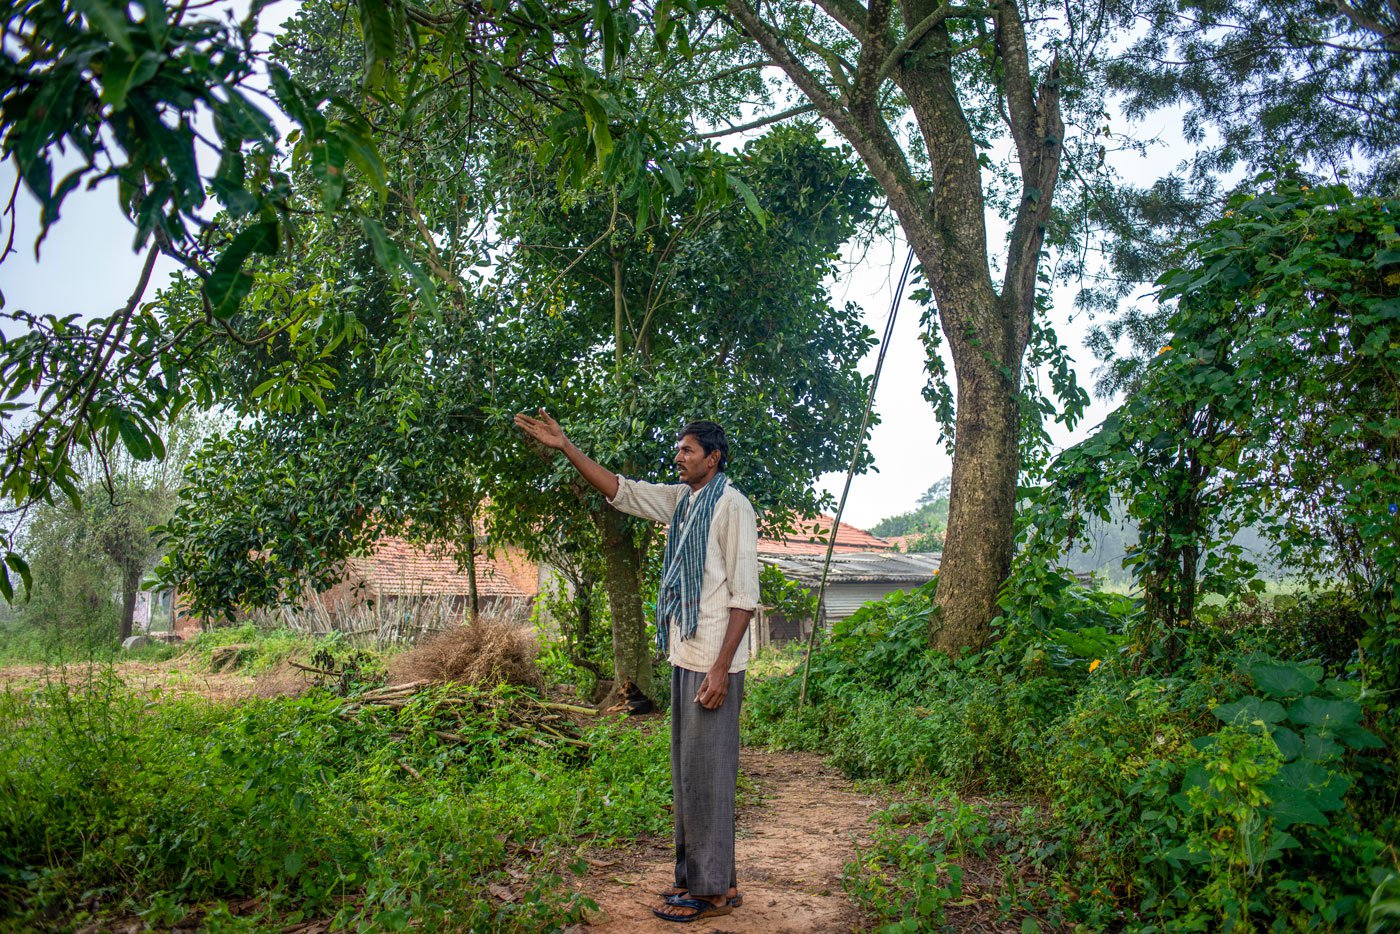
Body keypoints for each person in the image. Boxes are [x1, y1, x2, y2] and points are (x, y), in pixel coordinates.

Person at [514, 409, 759, 924]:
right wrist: (567, 447)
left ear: (713, 458)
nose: (679, 456)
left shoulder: (732, 507)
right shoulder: (683, 503)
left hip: (715, 661)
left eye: (688, 450)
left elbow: (744, 597)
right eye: (679, 449)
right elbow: (621, 490)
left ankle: (713, 894)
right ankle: (704, 880)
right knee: (689, 776)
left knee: (710, 777)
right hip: (685, 653)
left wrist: (719, 670)